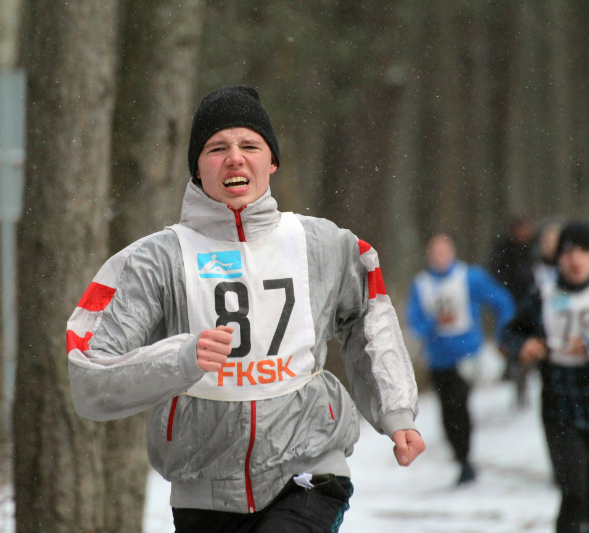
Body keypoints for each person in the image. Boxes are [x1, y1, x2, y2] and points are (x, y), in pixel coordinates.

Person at [66, 85, 425, 532]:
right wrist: (180, 359)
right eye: (217, 148)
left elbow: (369, 319)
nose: (235, 158)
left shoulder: (325, 244)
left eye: (250, 146)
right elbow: (89, 377)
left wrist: (396, 412)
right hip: (203, 486)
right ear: (198, 168)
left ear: (271, 161)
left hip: (308, 471)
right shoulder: (154, 260)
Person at [406, 233, 515, 485]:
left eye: (444, 251)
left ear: (453, 252)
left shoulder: (470, 277)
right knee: (448, 411)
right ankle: (460, 455)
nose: (440, 257)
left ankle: (465, 459)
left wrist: (505, 335)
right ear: (429, 255)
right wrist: (434, 323)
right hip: (437, 359)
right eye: (435, 252)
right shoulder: (421, 285)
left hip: (467, 356)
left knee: (459, 403)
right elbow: (415, 323)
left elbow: (502, 302)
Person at [501, 222, 589, 533]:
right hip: (560, 410)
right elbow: (509, 333)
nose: (575, 259)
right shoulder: (543, 294)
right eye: (568, 252)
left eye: (583, 251)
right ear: (558, 257)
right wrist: (523, 346)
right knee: (575, 490)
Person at [489, 216, 538, 407]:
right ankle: (516, 374)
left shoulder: (532, 249)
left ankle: (524, 375)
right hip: (511, 304)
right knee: (513, 343)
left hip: (530, 303)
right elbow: (496, 275)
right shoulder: (504, 251)